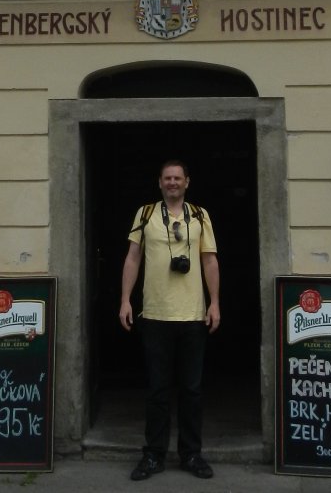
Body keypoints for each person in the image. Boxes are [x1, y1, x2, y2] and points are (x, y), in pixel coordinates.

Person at [120, 160, 220, 481]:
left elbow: (209, 260)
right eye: (167, 178)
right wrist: (125, 300)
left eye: (178, 178)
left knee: (191, 390)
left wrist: (215, 302)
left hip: (192, 314)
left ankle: (191, 454)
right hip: (155, 313)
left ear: (187, 182)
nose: (173, 182)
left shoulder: (200, 215)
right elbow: (133, 257)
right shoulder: (146, 213)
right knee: (157, 390)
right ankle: (154, 455)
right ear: (159, 182)